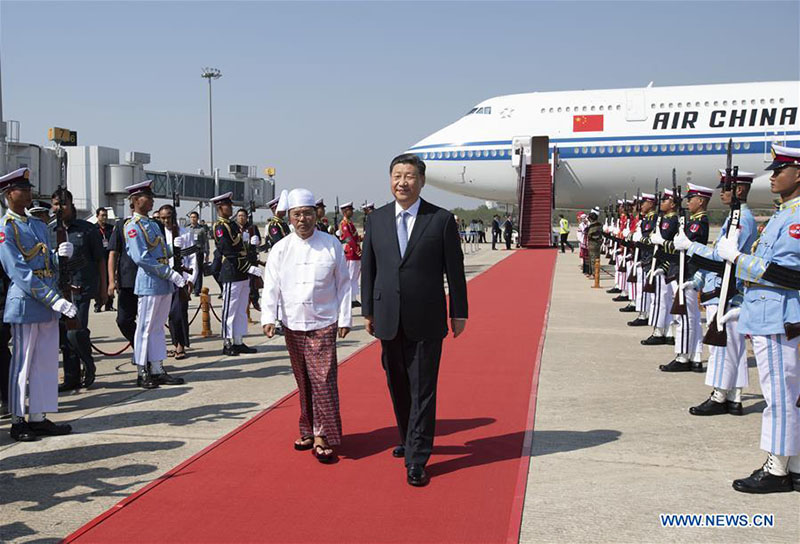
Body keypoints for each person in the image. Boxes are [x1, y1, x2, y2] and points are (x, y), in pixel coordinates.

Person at [361, 153, 468, 487]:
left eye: (409, 176)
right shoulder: (376, 220)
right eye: (396, 176)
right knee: (397, 383)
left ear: (421, 181)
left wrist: (459, 311)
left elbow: (455, 270)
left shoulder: (440, 219)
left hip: (427, 316)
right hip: (388, 316)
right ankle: (408, 436)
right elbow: (369, 268)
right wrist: (368, 310)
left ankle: (418, 457)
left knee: (423, 387)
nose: (402, 182)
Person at [715, 144, 800, 493]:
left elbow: (788, 274)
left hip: (778, 317)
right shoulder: (784, 213)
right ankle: (794, 466)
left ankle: (776, 468)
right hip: (768, 314)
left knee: (779, 396)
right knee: (788, 395)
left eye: (781, 169)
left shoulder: (795, 219)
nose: (773, 176)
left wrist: (736, 258)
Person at [261, 188, 352, 463]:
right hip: (292, 323)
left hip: (323, 321)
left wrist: (345, 318)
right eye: (297, 214)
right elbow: (271, 286)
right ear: (290, 217)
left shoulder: (330, 243)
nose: (303, 219)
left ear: (316, 215)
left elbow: (345, 284)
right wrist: (269, 317)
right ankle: (308, 429)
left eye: (308, 214)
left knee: (323, 379)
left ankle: (324, 435)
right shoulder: (281, 248)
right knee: (303, 380)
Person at [0, 168, 76, 441]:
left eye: (30, 188)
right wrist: (55, 299)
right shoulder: (5, 228)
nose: (30, 192)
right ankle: (19, 420)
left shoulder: (38, 225)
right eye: (24, 189)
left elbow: (48, 266)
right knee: (23, 363)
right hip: (26, 303)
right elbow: (18, 271)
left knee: (45, 362)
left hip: (47, 302)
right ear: (10, 194)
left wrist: (60, 256)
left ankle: (39, 416)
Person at [678, 171, 758, 414]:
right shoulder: (733, 218)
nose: (722, 192)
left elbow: (723, 256)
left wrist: (692, 246)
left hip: (728, 290)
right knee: (731, 345)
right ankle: (733, 396)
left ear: (740, 191)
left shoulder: (742, 219)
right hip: (720, 287)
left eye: (727, 188)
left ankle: (720, 395)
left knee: (722, 345)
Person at [124, 180, 187, 389]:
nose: (151, 201)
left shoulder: (153, 224)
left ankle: (158, 367)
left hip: (163, 283)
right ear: (135, 200)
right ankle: (142, 369)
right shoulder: (132, 227)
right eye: (147, 197)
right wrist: (170, 273)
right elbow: (141, 257)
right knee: (145, 328)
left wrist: (173, 248)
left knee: (158, 327)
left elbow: (159, 252)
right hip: (150, 282)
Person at [50, 189, 106, 391]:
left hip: (81, 289)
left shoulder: (87, 229)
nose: (59, 208)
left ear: (72, 205)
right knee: (64, 337)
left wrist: (103, 289)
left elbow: (99, 259)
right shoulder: (49, 230)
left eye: (63, 203)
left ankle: (88, 363)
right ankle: (71, 377)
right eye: (56, 204)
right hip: (57, 292)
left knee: (77, 331)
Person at [658, 183, 711, 373]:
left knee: (685, 318)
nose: (688, 202)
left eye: (691, 199)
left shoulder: (698, 223)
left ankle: (683, 357)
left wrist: (667, 243)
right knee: (691, 317)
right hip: (685, 271)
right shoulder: (693, 221)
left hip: (688, 273)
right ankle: (695, 356)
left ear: (701, 201)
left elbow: (690, 250)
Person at [212, 192, 262, 356]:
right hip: (231, 271)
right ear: (220, 207)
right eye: (228, 205)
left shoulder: (232, 225)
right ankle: (227, 342)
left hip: (241, 272)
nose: (231, 207)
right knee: (230, 309)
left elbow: (241, 247)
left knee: (241, 308)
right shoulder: (220, 227)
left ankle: (238, 340)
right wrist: (248, 267)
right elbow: (228, 251)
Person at [641, 190, 679, 346]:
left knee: (661, 299)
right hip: (662, 262)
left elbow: (668, 243)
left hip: (665, 263)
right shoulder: (664, 219)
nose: (661, 203)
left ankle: (659, 331)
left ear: (672, 204)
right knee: (664, 299)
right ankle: (667, 331)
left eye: (665, 200)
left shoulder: (672, 220)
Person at [160, 204, 198, 360]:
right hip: (163, 278)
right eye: (162, 218)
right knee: (165, 315)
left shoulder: (185, 233)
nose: (166, 220)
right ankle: (166, 345)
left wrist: (191, 279)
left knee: (178, 313)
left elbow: (192, 258)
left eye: (169, 216)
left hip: (180, 279)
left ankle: (180, 345)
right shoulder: (158, 235)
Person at [108, 202, 139, 353]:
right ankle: (139, 347)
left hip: (148, 280)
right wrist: (111, 281)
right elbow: (113, 253)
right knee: (123, 320)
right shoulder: (121, 226)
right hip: (128, 280)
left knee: (149, 323)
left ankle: (148, 356)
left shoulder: (153, 225)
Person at [236, 208, 264, 312]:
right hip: (240, 258)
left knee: (253, 281)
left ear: (247, 217)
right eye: (239, 216)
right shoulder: (234, 228)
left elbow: (259, 241)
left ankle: (255, 300)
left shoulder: (252, 227)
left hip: (251, 257)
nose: (241, 218)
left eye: (243, 215)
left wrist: (257, 242)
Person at [339, 201, 362, 307]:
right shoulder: (344, 224)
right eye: (350, 210)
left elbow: (355, 237)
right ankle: (350, 299)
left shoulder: (350, 223)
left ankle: (353, 298)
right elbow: (349, 239)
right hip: (351, 253)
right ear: (345, 212)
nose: (352, 212)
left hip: (355, 253)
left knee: (355, 277)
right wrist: (357, 250)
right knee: (351, 276)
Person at [94, 207, 114, 312]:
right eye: (102, 215)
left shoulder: (111, 228)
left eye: (106, 215)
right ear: (97, 216)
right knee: (99, 281)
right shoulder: (93, 229)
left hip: (109, 257)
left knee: (110, 280)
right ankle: (98, 304)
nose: (104, 217)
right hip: (98, 258)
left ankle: (109, 304)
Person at [187, 211, 209, 296]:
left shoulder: (201, 229)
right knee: (190, 271)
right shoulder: (187, 229)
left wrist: (206, 254)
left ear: (197, 218)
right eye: (191, 217)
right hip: (189, 253)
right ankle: (191, 287)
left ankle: (197, 289)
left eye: (194, 217)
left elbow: (205, 242)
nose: (193, 219)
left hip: (198, 252)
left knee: (199, 271)